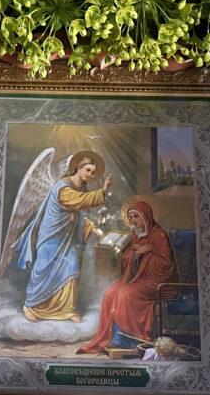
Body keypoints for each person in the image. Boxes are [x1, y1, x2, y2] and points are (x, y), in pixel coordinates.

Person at [15, 152, 112, 323]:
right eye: (88, 170)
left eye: (92, 172)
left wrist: (96, 231)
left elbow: (80, 215)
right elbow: (76, 201)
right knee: (43, 268)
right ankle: (30, 305)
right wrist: (102, 192)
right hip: (50, 235)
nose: (90, 175)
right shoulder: (63, 186)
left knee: (71, 265)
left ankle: (67, 310)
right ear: (79, 168)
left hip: (66, 238)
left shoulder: (80, 189)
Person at [77, 200, 178, 354]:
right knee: (110, 293)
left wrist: (148, 250)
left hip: (155, 282)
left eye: (136, 217)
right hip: (136, 278)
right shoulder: (137, 235)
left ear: (146, 216)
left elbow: (166, 264)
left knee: (125, 294)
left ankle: (126, 340)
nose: (133, 221)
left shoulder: (159, 235)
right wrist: (132, 253)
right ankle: (110, 338)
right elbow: (129, 257)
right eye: (131, 218)